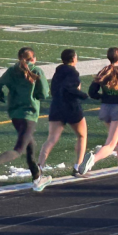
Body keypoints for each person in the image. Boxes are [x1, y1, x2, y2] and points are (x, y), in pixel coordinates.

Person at [0, 47, 50, 185]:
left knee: (30, 145)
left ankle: (37, 178)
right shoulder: (36, 71)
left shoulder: (12, 71)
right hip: (29, 114)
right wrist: (36, 96)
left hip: (15, 114)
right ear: (33, 59)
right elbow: (43, 93)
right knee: (19, 149)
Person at [80, 47, 118, 189]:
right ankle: (92, 160)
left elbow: (92, 92)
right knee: (111, 145)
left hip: (105, 109)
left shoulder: (103, 72)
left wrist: (104, 97)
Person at [32, 49, 90, 191]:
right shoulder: (73, 72)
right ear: (74, 59)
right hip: (71, 107)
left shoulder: (57, 72)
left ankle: (39, 168)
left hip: (56, 107)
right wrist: (83, 95)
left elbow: (55, 90)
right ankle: (78, 167)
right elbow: (68, 88)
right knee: (82, 135)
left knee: (51, 139)